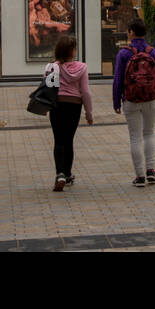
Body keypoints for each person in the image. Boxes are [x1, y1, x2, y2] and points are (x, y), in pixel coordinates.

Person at [113, 18, 155, 187]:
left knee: (135, 137)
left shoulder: (124, 53)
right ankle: (151, 170)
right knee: (149, 133)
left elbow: (118, 80)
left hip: (131, 99)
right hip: (150, 99)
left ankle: (140, 176)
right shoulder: (153, 52)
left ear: (131, 32)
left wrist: (117, 101)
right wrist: (154, 93)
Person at [48, 35, 93, 192]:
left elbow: (49, 89)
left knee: (58, 140)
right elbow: (85, 92)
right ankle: (67, 174)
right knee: (69, 140)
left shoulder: (51, 67)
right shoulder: (82, 68)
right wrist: (89, 113)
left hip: (57, 105)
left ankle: (59, 174)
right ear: (72, 51)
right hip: (74, 106)